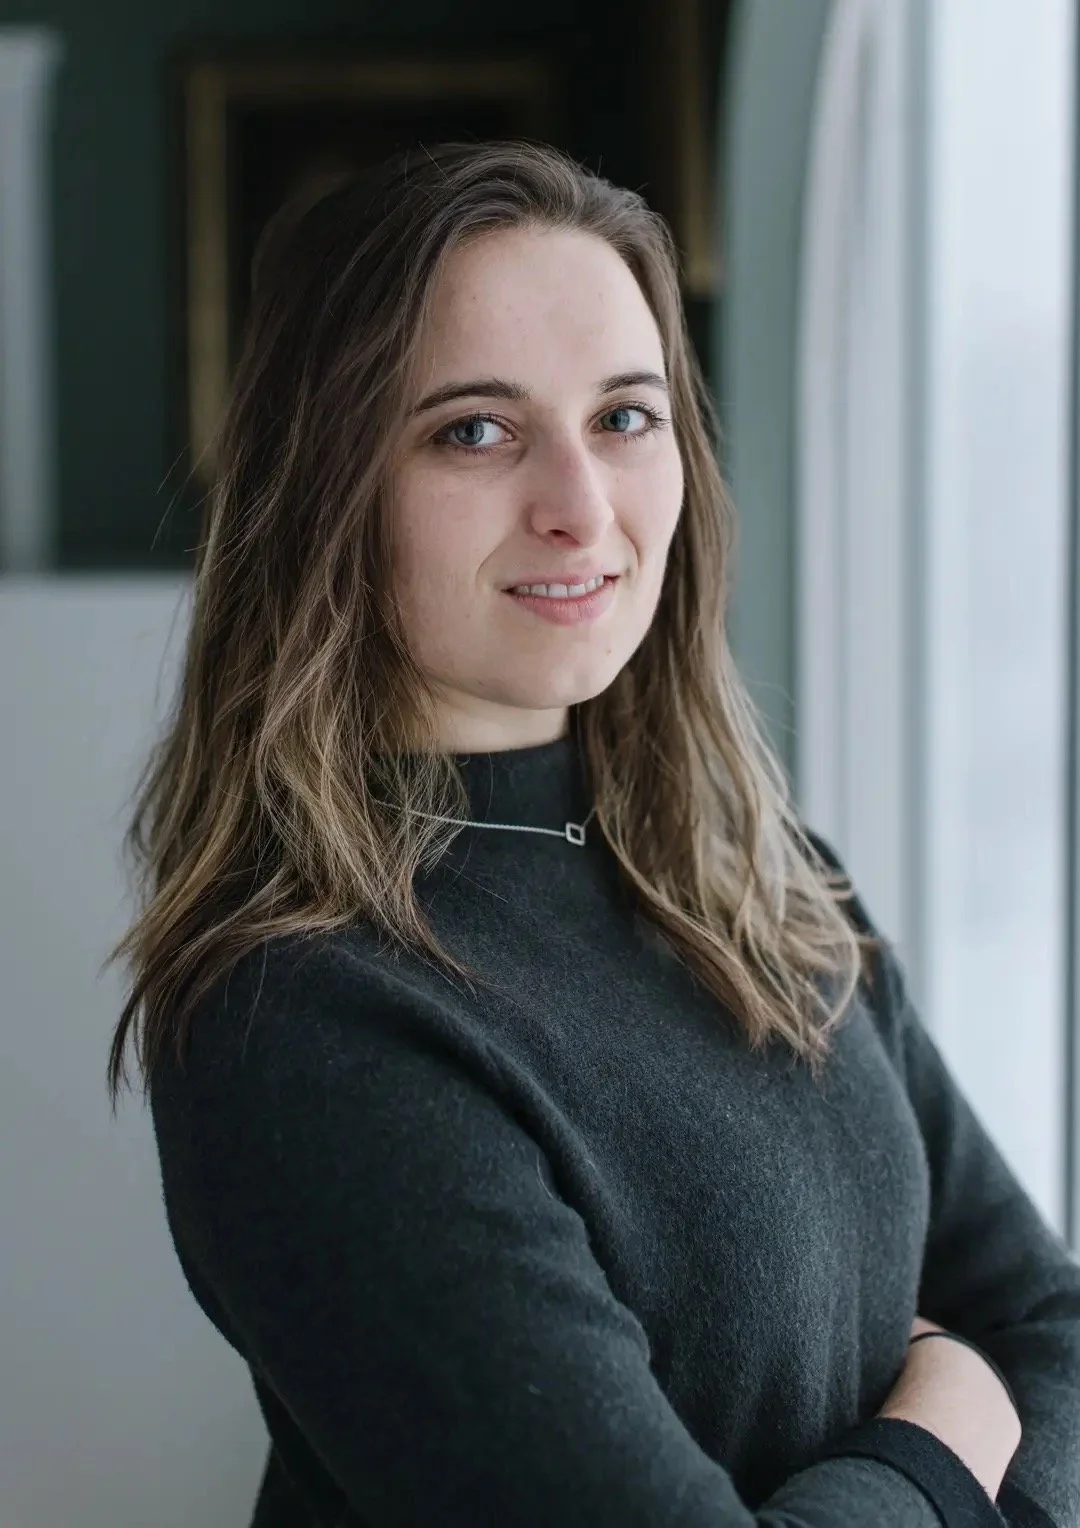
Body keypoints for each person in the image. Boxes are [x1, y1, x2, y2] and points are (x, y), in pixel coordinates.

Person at [103, 140, 1079, 1528]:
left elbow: (1049, 1319)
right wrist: (943, 1443)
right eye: (476, 431)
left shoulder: (764, 879)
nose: (583, 504)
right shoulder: (309, 1015)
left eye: (625, 416)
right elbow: (1001, 1372)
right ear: (327, 488)